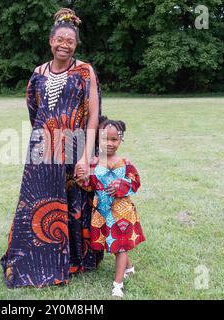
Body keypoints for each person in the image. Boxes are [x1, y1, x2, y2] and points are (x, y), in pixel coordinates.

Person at [0, 8, 103, 288]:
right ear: (50, 41)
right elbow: (34, 111)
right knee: (36, 204)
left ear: (76, 44)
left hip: (73, 148)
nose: (64, 44)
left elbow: (93, 114)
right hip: (42, 150)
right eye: (60, 39)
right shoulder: (37, 74)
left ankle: (72, 261)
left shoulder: (85, 71)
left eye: (70, 40)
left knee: (72, 202)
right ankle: (31, 261)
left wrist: (84, 154)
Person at [79, 115, 146, 297]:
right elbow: (90, 185)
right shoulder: (93, 163)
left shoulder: (125, 164)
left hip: (121, 212)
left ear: (120, 140)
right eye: (105, 139)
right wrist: (83, 179)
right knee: (114, 243)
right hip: (102, 211)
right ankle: (129, 268)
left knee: (120, 245)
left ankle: (118, 284)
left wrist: (121, 185)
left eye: (114, 139)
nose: (109, 143)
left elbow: (135, 183)